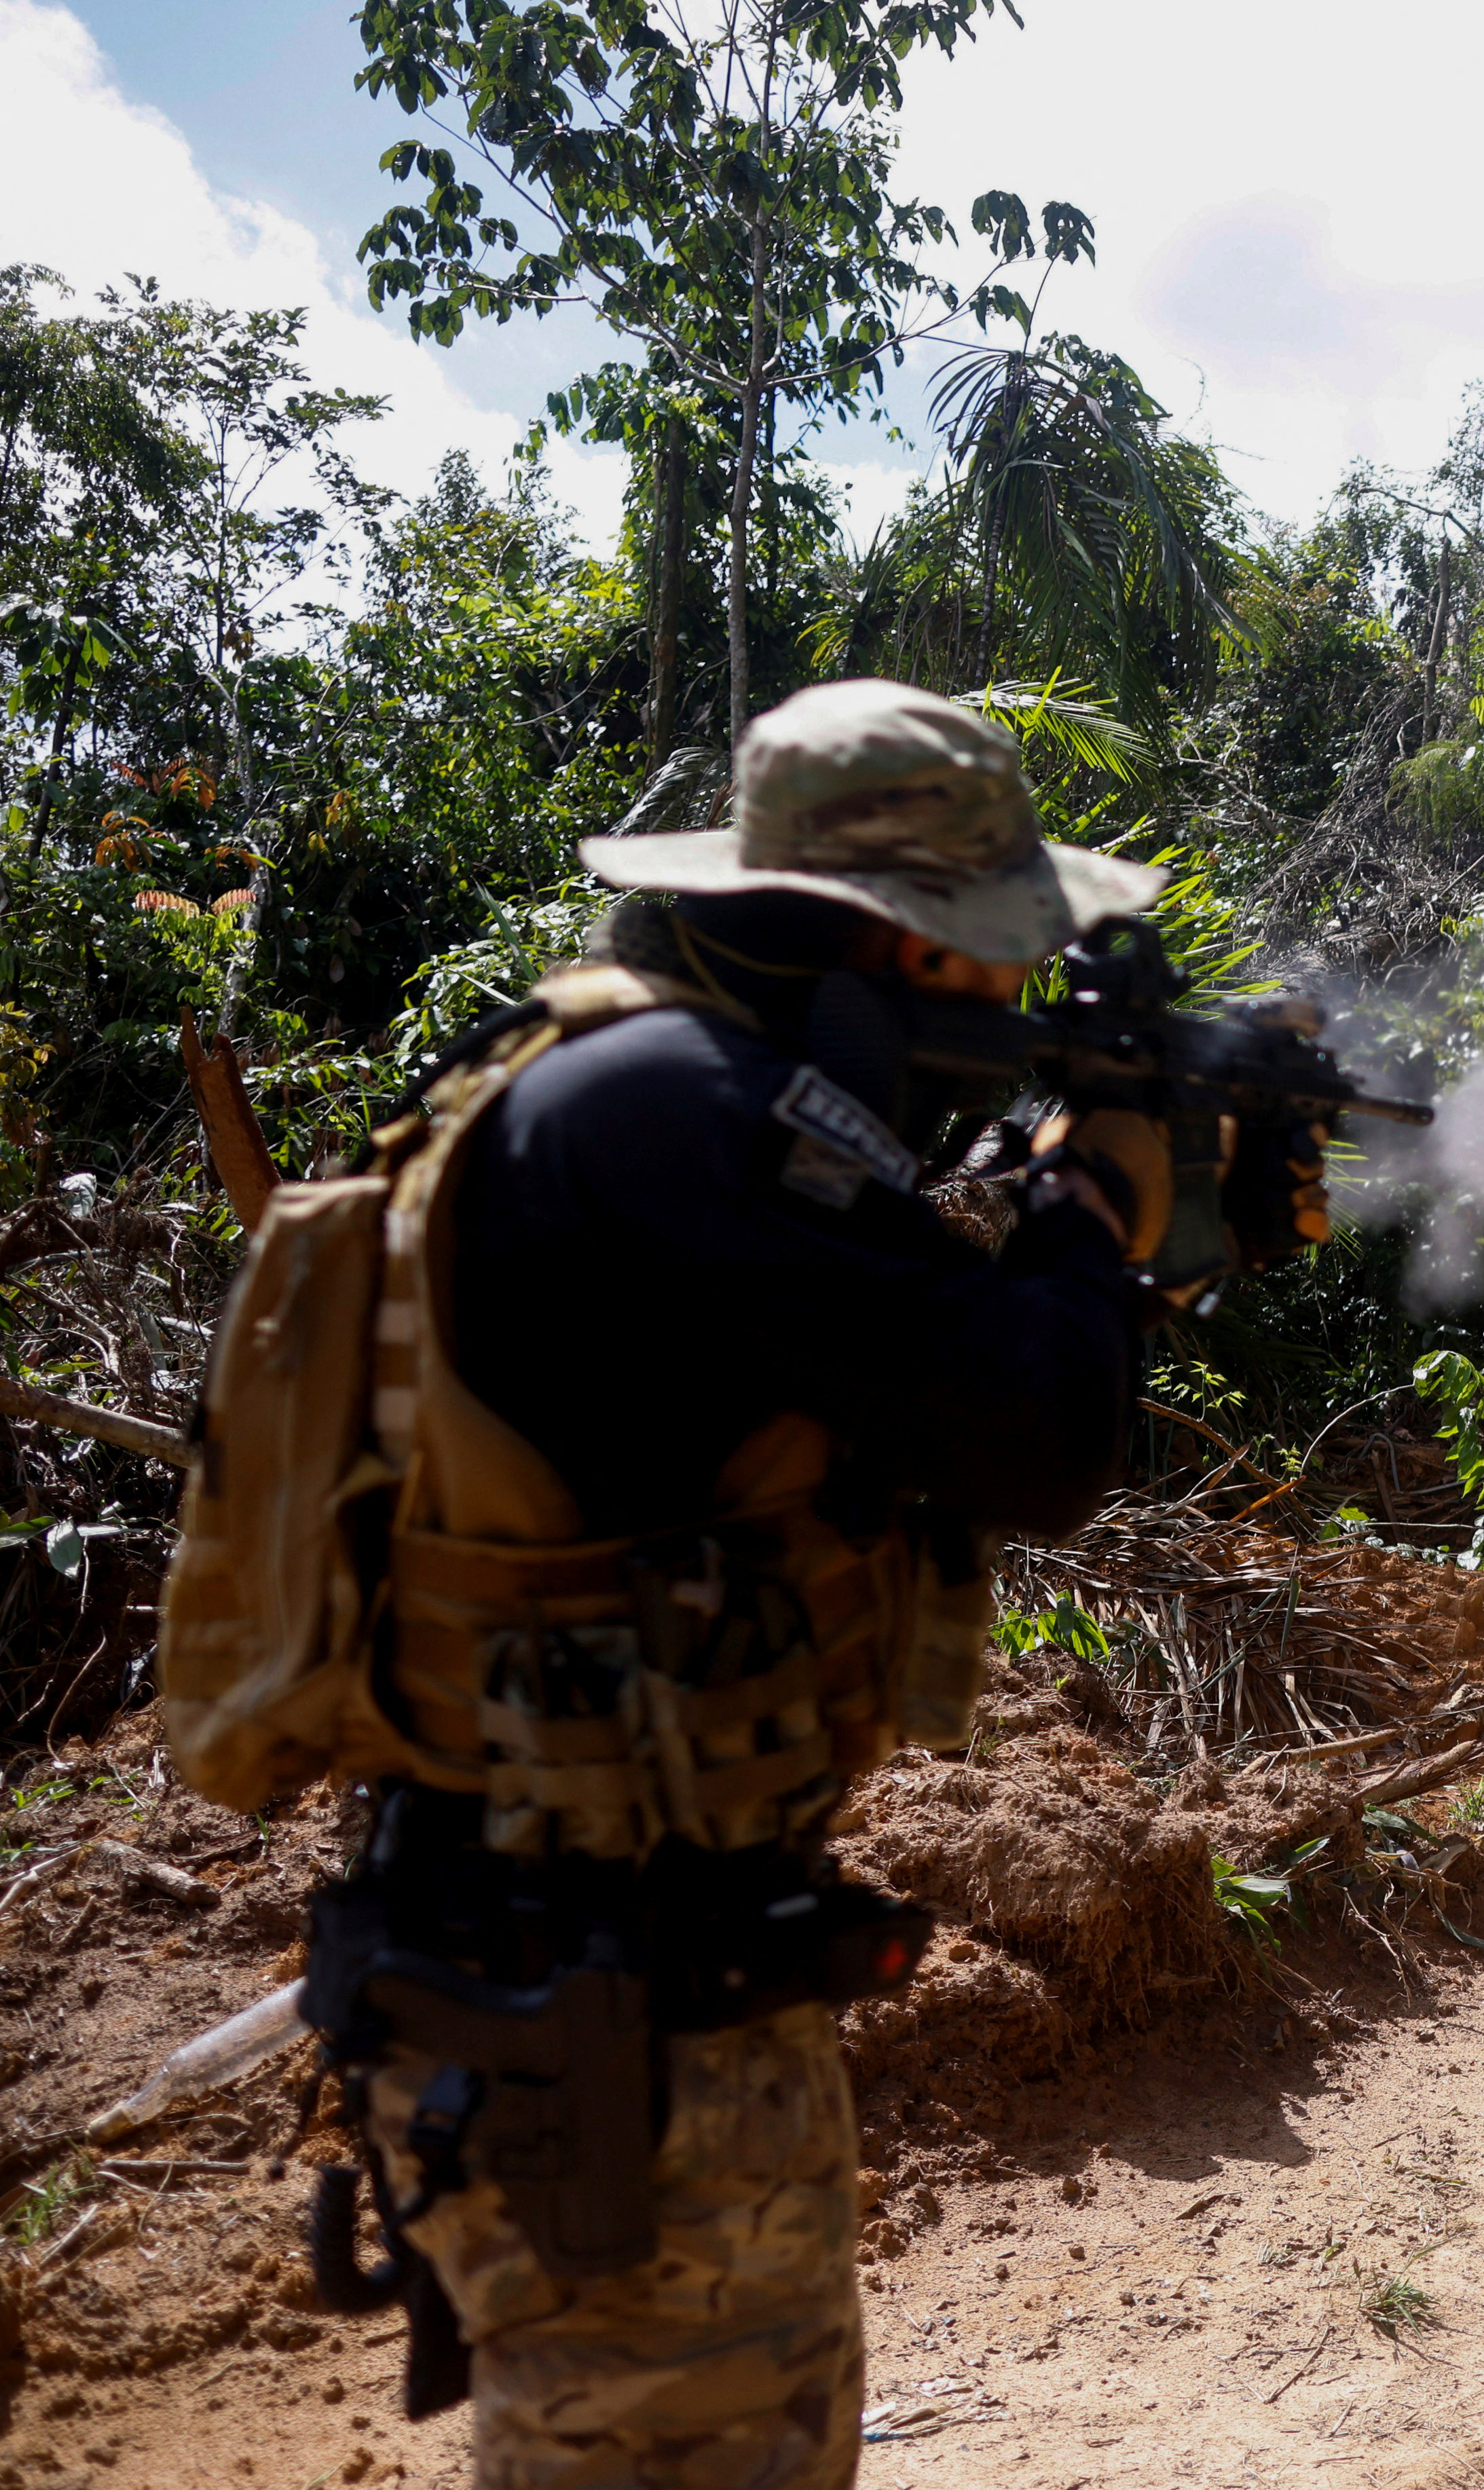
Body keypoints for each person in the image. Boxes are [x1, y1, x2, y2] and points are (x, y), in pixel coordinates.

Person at [274, 679, 1279, 2488]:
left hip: (622, 1970)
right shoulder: (682, 1110)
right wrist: (1094, 1199)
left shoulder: (633, 1087)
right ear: (881, 942)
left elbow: (891, 1369)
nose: (1003, 998)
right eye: (980, 959)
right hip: (610, 2014)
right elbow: (1032, 1432)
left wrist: (1147, 1226)